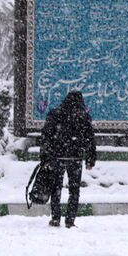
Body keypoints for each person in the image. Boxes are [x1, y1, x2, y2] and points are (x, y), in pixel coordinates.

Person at [40, 90, 97, 228]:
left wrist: (45, 157)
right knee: (74, 190)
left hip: (57, 157)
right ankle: (70, 220)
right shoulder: (83, 117)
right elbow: (90, 139)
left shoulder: (55, 114)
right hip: (75, 158)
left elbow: (46, 136)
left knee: (55, 188)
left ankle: (55, 217)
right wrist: (90, 159)